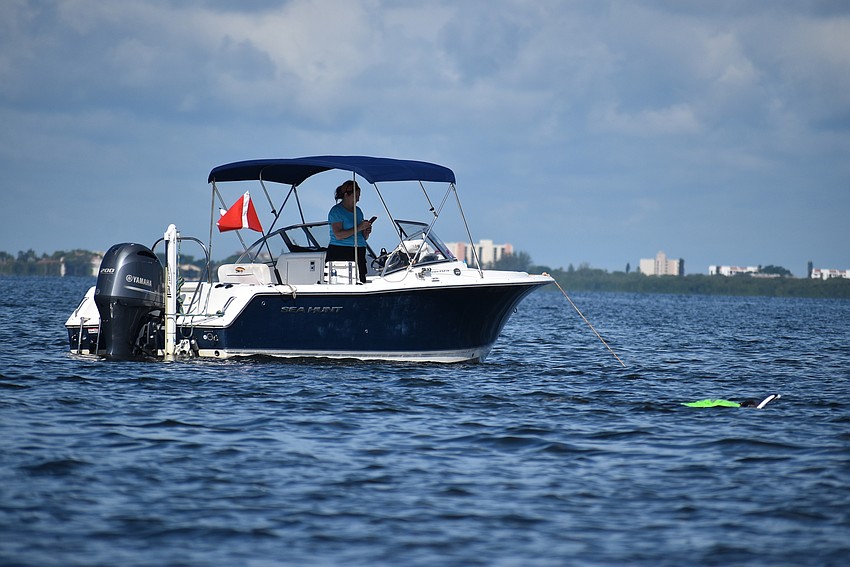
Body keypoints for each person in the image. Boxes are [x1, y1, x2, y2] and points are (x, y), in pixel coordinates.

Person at [326, 180, 373, 283]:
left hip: (359, 250)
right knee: (342, 283)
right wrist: (359, 227)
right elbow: (338, 235)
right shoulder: (336, 211)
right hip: (341, 251)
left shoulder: (358, 211)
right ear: (346, 195)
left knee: (361, 281)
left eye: (359, 196)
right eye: (355, 196)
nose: (358, 200)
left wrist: (366, 232)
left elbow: (361, 235)